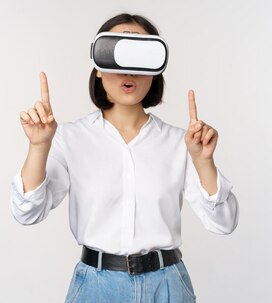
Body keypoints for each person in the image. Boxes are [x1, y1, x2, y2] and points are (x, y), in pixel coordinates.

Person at [9, 13, 239, 303]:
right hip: (95, 287)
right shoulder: (70, 138)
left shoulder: (183, 143)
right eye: (117, 54)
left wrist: (204, 161)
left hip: (167, 285)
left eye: (140, 55)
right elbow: (26, 213)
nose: (128, 71)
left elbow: (224, 223)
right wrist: (39, 146)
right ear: (99, 69)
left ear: (155, 70)